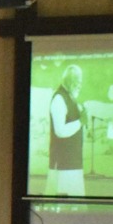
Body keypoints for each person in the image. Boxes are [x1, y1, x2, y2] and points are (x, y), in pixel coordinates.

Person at [45, 64, 85, 196]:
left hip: (72, 163)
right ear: (69, 81)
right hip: (63, 165)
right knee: (63, 203)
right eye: (77, 81)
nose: (80, 85)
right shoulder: (59, 99)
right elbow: (60, 131)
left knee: (74, 203)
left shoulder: (70, 98)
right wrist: (80, 122)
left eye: (80, 81)